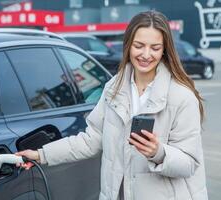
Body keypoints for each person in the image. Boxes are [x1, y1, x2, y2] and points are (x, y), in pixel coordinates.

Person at [16, 10, 208, 200]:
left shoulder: (182, 97)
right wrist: (40, 155)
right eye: (139, 46)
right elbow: (90, 140)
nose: (146, 54)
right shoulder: (113, 89)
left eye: (155, 48)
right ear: (128, 45)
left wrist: (158, 152)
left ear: (165, 49)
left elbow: (189, 163)